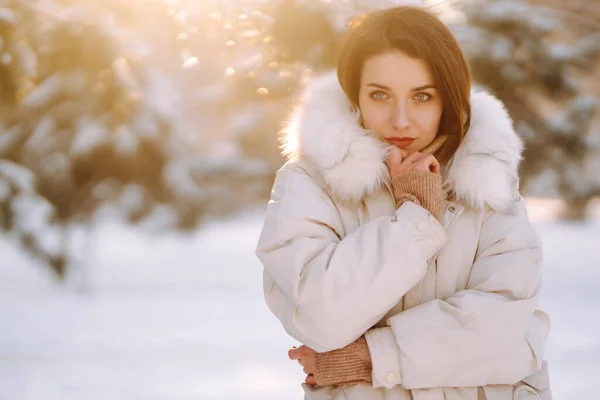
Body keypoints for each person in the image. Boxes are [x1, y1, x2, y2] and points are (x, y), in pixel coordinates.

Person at [255, 5, 551, 400]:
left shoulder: (486, 183)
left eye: (422, 96)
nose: (400, 120)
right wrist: (417, 219)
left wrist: (368, 358)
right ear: (354, 94)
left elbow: (505, 327)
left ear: (448, 97)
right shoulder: (311, 185)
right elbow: (317, 315)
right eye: (380, 95)